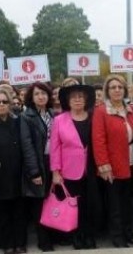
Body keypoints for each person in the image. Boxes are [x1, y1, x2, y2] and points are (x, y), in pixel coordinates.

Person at [92, 75, 133, 248]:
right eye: (113, 87)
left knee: (127, 203)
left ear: (125, 90)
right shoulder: (101, 111)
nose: (117, 90)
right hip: (111, 165)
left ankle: (128, 233)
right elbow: (98, 140)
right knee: (115, 205)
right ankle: (118, 237)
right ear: (107, 91)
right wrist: (103, 165)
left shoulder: (130, 109)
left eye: (120, 87)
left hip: (129, 161)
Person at [50, 84, 97, 250]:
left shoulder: (94, 117)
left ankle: (89, 235)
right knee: (74, 205)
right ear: (68, 101)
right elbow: (54, 148)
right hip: (69, 171)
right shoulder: (59, 120)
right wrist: (55, 171)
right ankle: (77, 236)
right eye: (74, 97)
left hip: (92, 169)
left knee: (90, 204)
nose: (78, 100)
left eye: (81, 97)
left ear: (86, 100)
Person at [0, 88, 27, 254]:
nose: (1, 104)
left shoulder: (18, 123)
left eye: (5, 101)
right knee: (1, 214)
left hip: (18, 175)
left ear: (10, 104)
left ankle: (20, 243)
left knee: (19, 212)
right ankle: (8, 245)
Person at [20, 82, 55, 252]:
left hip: (52, 163)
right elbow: (27, 146)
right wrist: (34, 171)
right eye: (36, 94)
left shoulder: (51, 114)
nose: (41, 96)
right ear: (31, 98)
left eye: (43, 93)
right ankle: (44, 241)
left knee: (51, 202)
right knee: (39, 205)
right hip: (38, 165)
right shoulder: (27, 117)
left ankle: (54, 235)